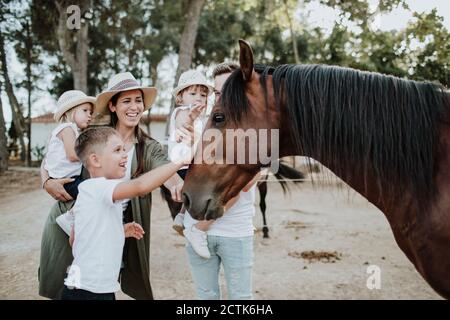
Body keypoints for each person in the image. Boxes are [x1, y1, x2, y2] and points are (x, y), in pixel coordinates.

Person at [39, 72, 187, 300]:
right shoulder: (93, 136)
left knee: (102, 284)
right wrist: (46, 180)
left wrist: (178, 183)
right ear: (113, 106)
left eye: (138, 101)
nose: (134, 107)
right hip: (72, 221)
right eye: (126, 101)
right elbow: (52, 153)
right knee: (65, 283)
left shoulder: (148, 146)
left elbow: (166, 172)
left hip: (114, 225)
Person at [61, 126, 192, 300]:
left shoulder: (89, 191)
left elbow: (75, 238)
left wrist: (119, 230)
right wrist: (179, 162)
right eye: (117, 150)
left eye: (124, 149)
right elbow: (140, 187)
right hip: (89, 291)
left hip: (91, 286)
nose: (124, 154)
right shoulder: (99, 187)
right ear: (96, 160)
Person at [184, 62, 261, 300]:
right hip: (194, 228)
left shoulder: (257, 128)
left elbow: (247, 182)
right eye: (217, 92)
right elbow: (184, 165)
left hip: (235, 232)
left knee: (241, 298)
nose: (221, 97)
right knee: (205, 295)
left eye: (227, 89)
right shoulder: (200, 124)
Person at [168, 69, 216, 259]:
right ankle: (199, 230)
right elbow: (183, 127)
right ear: (180, 97)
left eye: (203, 95)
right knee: (218, 190)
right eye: (193, 93)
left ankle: (182, 215)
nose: (199, 98)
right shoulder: (182, 112)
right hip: (183, 167)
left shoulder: (203, 118)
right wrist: (192, 117)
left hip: (192, 166)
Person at [43, 90, 95, 199]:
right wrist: (94, 156)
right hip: (66, 180)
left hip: (66, 178)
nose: (89, 115)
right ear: (70, 112)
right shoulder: (67, 129)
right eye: (85, 110)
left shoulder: (71, 130)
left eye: (90, 112)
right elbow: (72, 155)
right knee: (92, 194)